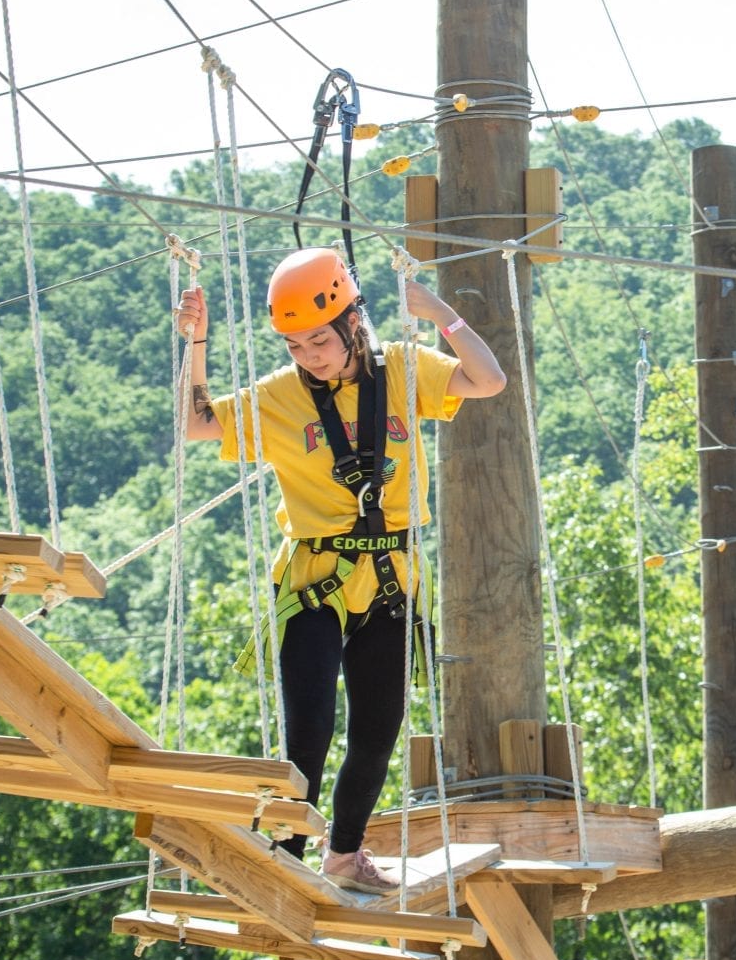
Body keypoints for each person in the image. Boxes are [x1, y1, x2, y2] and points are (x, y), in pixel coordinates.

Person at [174, 247, 505, 892]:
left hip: (389, 578)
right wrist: (197, 342)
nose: (309, 356)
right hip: (313, 580)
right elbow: (195, 424)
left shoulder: (407, 372)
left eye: (319, 340)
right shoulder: (279, 396)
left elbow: (487, 380)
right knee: (311, 729)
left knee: (378, 730)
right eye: (296, 345)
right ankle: (287, 854)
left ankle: (345, 855)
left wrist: (441, 314)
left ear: (354, 322)